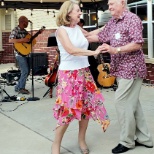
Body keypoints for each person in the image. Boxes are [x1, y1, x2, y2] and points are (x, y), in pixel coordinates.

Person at [87, 0, 153, 153]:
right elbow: (99, 37)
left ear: (122, 3)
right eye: (108, 4)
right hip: (120, 69)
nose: (109, 7)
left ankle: (127, 141)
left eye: (112, 4)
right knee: (133, 104)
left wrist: (114, 49)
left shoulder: (132, 19)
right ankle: (145, 139)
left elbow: (137, 43)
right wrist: (76, 33)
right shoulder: (113, 22)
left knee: (121, 102)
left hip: (132, 68)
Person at [52, 1, 110, 154]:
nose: (80, 13)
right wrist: (93, 53)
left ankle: (81, 140)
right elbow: (71, 50)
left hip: (84, 73)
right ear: (68, 13)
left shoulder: (77, 28)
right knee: (67, 110)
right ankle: (56, 145)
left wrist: (110, 25)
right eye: (78, 10)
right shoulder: (61, 31)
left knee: (86, 108)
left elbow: (90, 35)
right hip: (69, 75)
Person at [9, 16, 30, 94]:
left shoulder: (25, 31)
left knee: (27, 72)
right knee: (25, 71)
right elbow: (10, 40)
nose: (27, 24)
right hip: (19, 54)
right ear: (22, 22)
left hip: (26, 53)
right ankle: (21, 88)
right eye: (26, 22)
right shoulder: (15, 30)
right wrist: (22, 40)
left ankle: (17, 87)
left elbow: (29, 40)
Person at [78, 18, 101, 88]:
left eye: (79, 23)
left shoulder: (80, 30)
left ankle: (96, 82)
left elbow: (89, 35)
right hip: (81, 55)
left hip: (87, 52)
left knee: (93, 67)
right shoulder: (64, 30)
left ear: (81, 24)